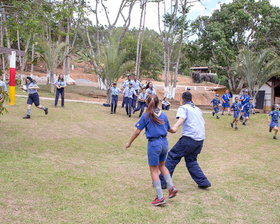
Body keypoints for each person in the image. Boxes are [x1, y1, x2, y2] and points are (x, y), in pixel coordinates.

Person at [126, 95, 178, 206]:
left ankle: (160, 197)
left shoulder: (146, 115)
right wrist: (174, 129)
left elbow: (137, 132)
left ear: (147, 103)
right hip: (164, 143)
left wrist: (129, 143)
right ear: (159, 103)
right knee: (162, 166)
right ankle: (171, 187)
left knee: (154, 170)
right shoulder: (163, 114)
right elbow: (169, 129)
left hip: (154, 144)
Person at [159, 91, 211, 190]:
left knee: (172, 156)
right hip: (199, 140)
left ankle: (162, 181)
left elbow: (182, 118)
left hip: (189, 138)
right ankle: (203, 182)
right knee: (191, 160)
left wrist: (175, 127)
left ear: (182, 99)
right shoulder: (198, 109)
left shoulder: (183, 108)